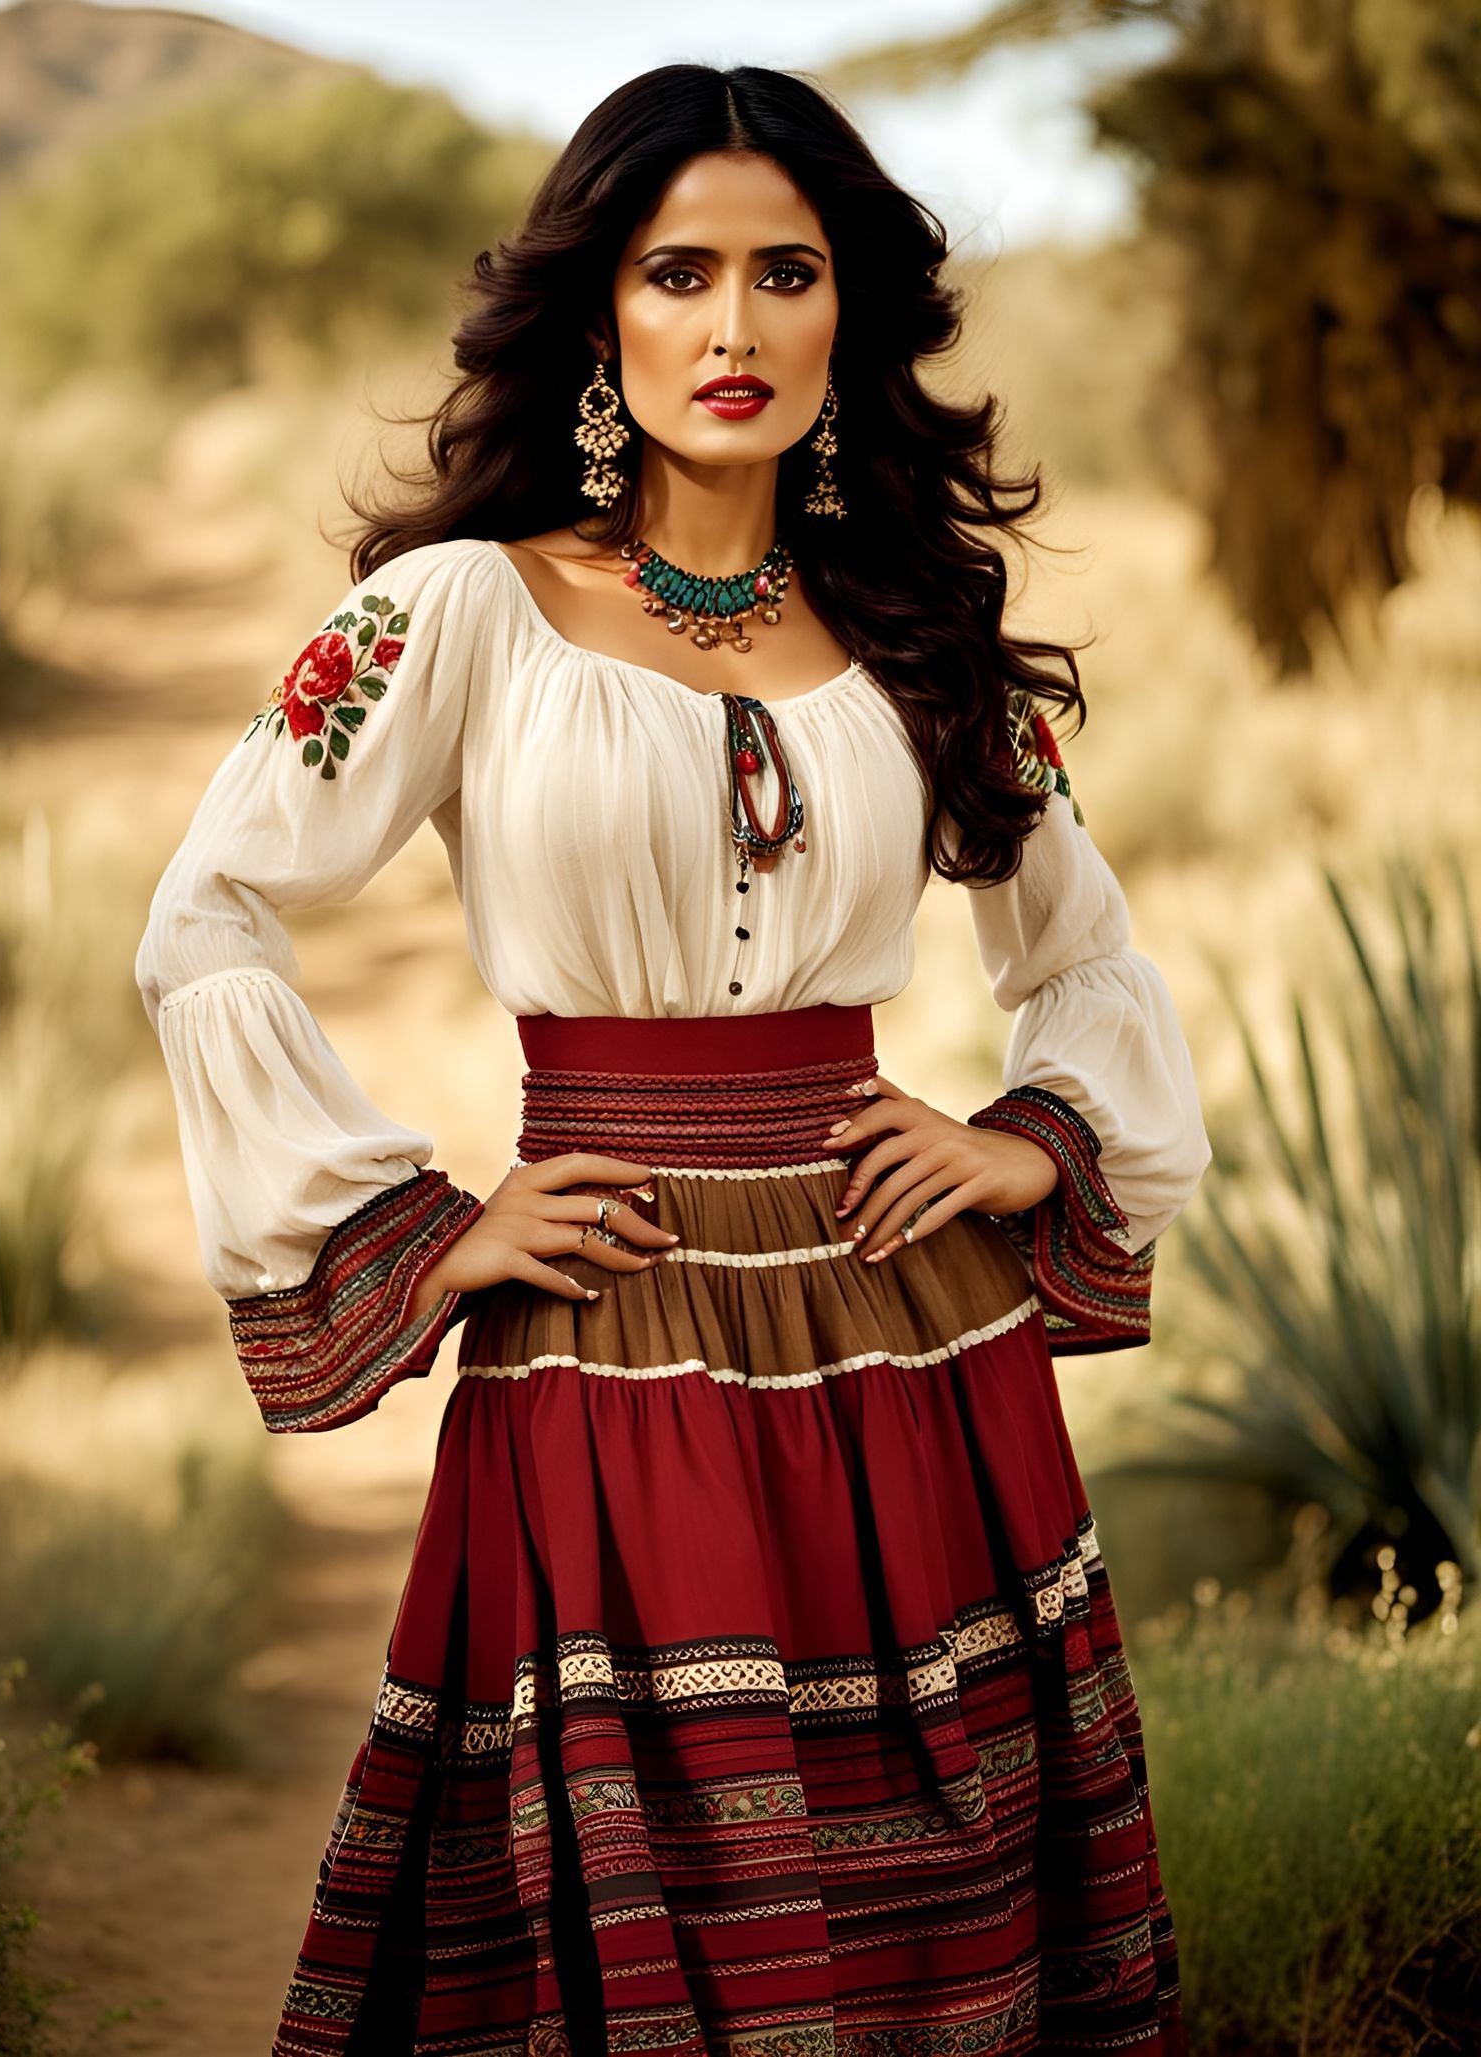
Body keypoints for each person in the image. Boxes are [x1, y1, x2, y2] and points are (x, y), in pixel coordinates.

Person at [135, 62, 1210, 2057]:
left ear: (844, 314)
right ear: (598, 319)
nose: (731, 328)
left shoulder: (916, 632)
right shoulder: (459, 613)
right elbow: (202, 917)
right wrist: (419, 1226)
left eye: (783, 273)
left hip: (914, 1347)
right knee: (655, 1908)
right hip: (603, 1317)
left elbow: (1083, 944)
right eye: (676, 272)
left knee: (930, 1912)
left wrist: (1030, 1141)